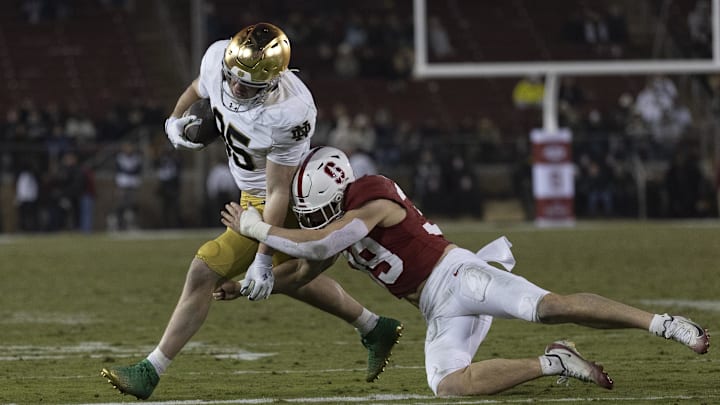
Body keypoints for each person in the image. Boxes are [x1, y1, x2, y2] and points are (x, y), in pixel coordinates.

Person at [218, 146, 710, 396]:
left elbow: (328, 238)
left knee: (550, 307)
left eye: (308, 208)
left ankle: (664, 324)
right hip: (437, 309)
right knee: (447, 385)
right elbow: (305, 269)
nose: (305, 217)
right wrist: (248, 285)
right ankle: (553, 363)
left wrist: (258, 230)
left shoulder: (370, 195)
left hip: (458, 276)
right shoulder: (335, 223)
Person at [100, 23, 402, 400]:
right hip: (252, 193)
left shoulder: (291, 112)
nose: (238, 89)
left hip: (284, 199)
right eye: (234, 79)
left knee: (208, 270)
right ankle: (374, 327)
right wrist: (174, 120)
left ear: (274, 79)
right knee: (293, 280)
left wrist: (260, 258)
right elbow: (199, 87)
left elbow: (277, 191)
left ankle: (151, 370)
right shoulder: (219, 58)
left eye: (251, 86)